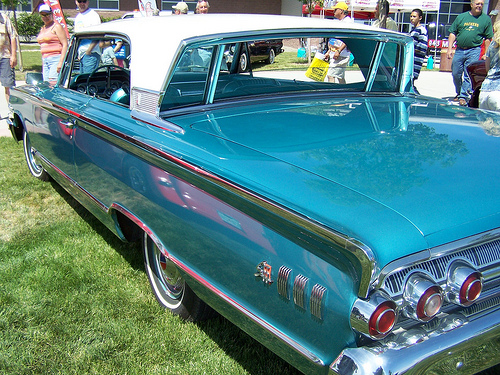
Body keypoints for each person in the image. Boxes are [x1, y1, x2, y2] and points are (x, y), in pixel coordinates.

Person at [446, 0, 493, 106]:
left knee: (468, 74)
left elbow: (487, 38)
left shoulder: (486, 19)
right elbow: (453, 33)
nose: (479, 6)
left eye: (481, 4)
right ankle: (459, 93)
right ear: (471, 4)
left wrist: (486, 53)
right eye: (477, 4)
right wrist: (449, 48)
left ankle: (463, 96)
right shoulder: (461, 17)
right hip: (459, 49)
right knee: (455, 73)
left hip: (474, 50)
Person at [36, 4, 68, 84]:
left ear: (52, 14)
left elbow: (65, 44)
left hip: (55, 59)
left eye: (47, 14)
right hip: (45, 59)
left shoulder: (56, 27)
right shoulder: (42, 28)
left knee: (53, 83)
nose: (45, 17)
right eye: (43, 15)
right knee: (46, 84)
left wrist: (61, 62)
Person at [325, 2, 353, 84]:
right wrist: (329, 51)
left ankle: (332, 94)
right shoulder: (340, 22)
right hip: (336, 53)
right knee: (340, 77)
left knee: (330, 75)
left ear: (341, 11)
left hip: (341, 55)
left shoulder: (348, 22)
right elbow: (336, 41)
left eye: (335, 9)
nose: (333, 11)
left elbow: (348, 38)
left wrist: (339, 51)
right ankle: (345, 92)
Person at [74, 0, 101, 73]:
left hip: (91, 54)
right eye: (80, 1)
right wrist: (78, 54)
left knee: (87, 81)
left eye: (84, 1)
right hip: (82, 55)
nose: (82, 3)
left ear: (88, 2)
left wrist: (89, 51)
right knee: (82, 82)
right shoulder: (78, 17)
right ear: (76, 2)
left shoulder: (93, 15)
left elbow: (98, 35)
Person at [479, 21, 500, 111]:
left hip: (485, 91)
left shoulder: (492, 45)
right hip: (498, 93)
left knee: (484, 124)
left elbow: (487, 68)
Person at [408, 8, 428, 93]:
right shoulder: (413, 30)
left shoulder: (421, 30)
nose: (412, 18)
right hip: (411, 59)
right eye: (411, 16)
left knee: (410, 82)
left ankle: (416, 97)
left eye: (414, 16)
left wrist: (412, 51)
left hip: (415, 61)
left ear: (420, 18)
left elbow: (421, 47)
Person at [0, 10, 17, 103]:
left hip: (5, 56)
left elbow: (13, 36)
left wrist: (13, 55)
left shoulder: (5, 18)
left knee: (8, 85)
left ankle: (12, 111)